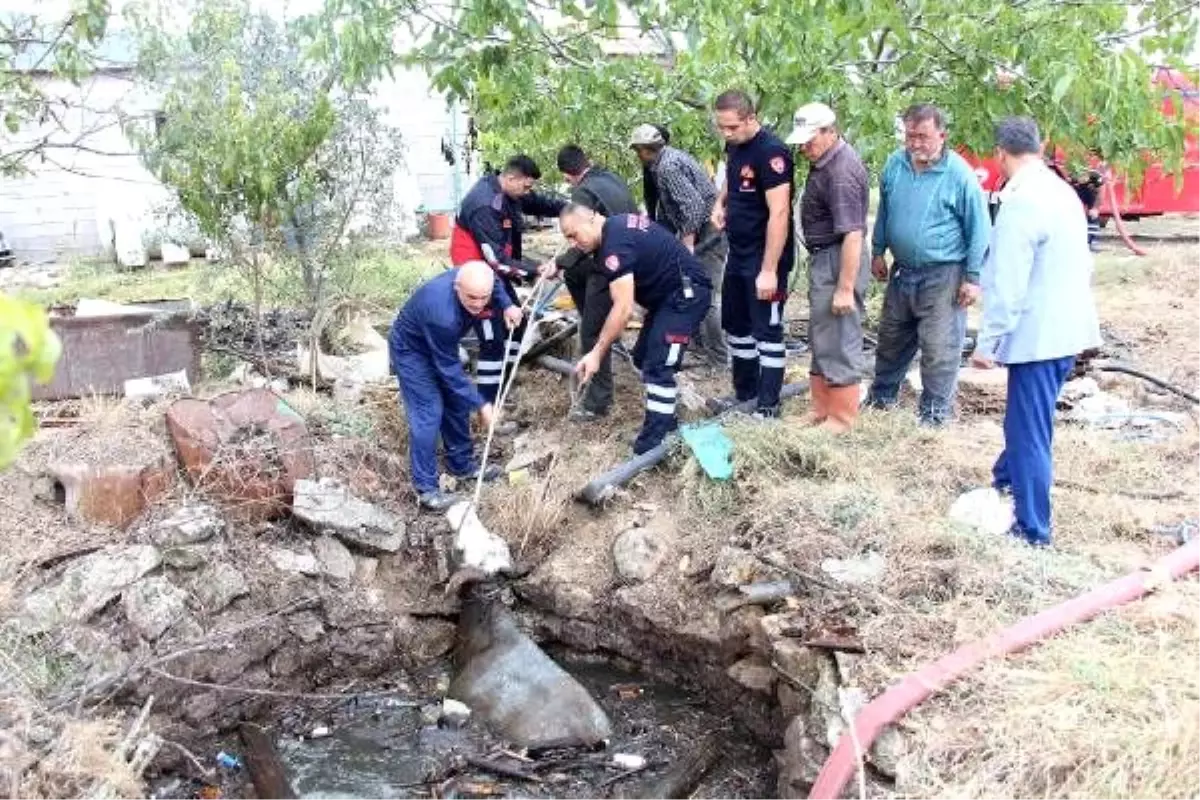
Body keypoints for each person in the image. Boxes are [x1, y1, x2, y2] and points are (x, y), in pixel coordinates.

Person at [969, 117, 1102, 547]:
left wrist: (988, 343)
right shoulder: (1060, 191)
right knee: (1028, 423)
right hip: (1067, 330)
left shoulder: (1023, 202)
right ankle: (1004, 482)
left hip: (1038, 336)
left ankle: (1032, 530)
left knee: (1029, 433)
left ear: (1001, 154)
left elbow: (1008, 284)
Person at [551, 204, 712, 455]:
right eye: (567, 238)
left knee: (659, 367)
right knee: (643, 357)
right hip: (666, 300)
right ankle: (667, 424)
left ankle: (652, 446)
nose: (573, 243)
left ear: (592, 220)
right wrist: (559, 264)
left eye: (574, 235)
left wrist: (596, 353)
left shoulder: (614, 245)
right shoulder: (615, 226)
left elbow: (623, 309)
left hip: (685, 296)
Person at [866, 103, 991, 426]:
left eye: (923, 137)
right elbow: (886, 212)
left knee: (939, 347)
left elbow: (979, 229)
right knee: (891, 338)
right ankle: (881, 400)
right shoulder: (896, 164)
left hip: (944, 273)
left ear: (942, 135)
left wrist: (973, 277)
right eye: (910, 136)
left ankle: (934, 414)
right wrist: (878, 250)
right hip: (902, 270)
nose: (916, 144)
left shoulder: (959, 174)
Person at [388, 262, 524, 511]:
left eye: (483, 298)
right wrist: (481, 404)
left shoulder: (481, 280)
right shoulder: (442, 314)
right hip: (412, 352)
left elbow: (495, 283)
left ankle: (461, 465)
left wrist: (508, 305)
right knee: (429, 411)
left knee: (455, 402)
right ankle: (427, 489)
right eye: (471, 298)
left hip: (440, 346)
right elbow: (449, 369)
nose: (478, 304)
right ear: (456, 286)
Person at [449, 154, 566, 402]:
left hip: (494, 275)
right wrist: (536, 270)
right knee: (493, 339)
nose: (528, 191)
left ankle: (503, 385)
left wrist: (568, 208)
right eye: (526, 186)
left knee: (517, 325)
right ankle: (487, 405)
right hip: (477, 277)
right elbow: (497, 260)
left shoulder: (509, 193)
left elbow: (537, 203)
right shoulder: (485, 205)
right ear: (511, 178)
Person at [787, 101, 870, 432]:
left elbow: (852, 232)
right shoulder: (824, 162)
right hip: (825, 256)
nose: (805, 147)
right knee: (822, 333)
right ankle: (821, 409)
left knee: (839, 335)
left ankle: (842, 417)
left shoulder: (841, 172)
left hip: (839, 257)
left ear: (830, 131)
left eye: (811, 139)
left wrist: (845, 287)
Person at [711, 89, 795, 417]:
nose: (727, 134)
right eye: (722, 127)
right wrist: (721, 204)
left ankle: (768, 405)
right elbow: (733, 179)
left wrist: (770, 269)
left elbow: (779, 213)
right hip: (738, 251)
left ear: (750, 118)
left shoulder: (772, 153)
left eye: (732, 127)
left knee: (766, 331)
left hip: (765, 256)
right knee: (737, 326)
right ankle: (745, 395)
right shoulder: (735, 146)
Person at [629, 123, 729, 368]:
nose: (637, 156)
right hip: (703, 229)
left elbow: (693, 210)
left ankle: (718, 358)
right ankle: (698, 345)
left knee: (705, 294)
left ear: (644, 150)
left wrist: (687, 246)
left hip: (708, 233)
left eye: (637, 151)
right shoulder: (669, 159)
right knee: (690, 290)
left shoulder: (667, 168)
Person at [551, 144, 639, 421]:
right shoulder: (610, 179)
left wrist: (559, 261)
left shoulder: (582, 194)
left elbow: (585, 241)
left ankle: (597, 403)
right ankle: (597, 322)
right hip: (632, 251)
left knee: (590, 333)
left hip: (612, 262)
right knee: (573, 273)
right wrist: (566, 265)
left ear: (568, 175)